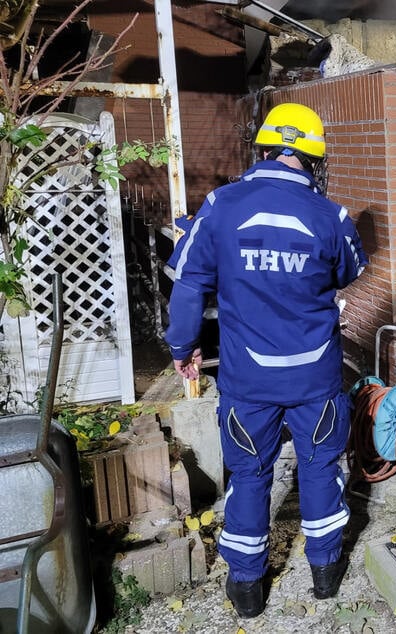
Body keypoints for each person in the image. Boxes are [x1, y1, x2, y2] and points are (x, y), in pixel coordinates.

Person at [164, 102, 368, 618]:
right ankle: (326, 575)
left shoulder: (219, 207)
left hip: (247, 381)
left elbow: (189, 287)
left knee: (249, 476)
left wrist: (181, 347)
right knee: (322, 466)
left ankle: (248, 590)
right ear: (313, 158)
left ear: (264, 147)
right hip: (315, 377)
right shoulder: (332, 216)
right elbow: (348, 272)